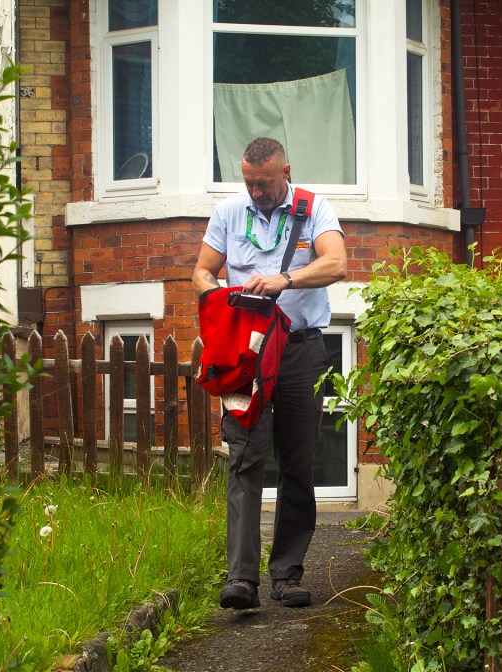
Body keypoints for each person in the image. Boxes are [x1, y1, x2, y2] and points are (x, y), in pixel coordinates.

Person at [192, 137, 348, 609]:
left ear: (286, 171)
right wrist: (224, 300)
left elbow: (338, 263)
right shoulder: (228, 213)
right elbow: (200, 272)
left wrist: (287, 279)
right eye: (248, 183)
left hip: (300, 350)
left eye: (263, 184)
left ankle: (287, 574)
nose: (255, 193)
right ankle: (241, 579)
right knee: (244, 458)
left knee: (299, 461)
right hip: (247, 355)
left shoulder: (314, 209)